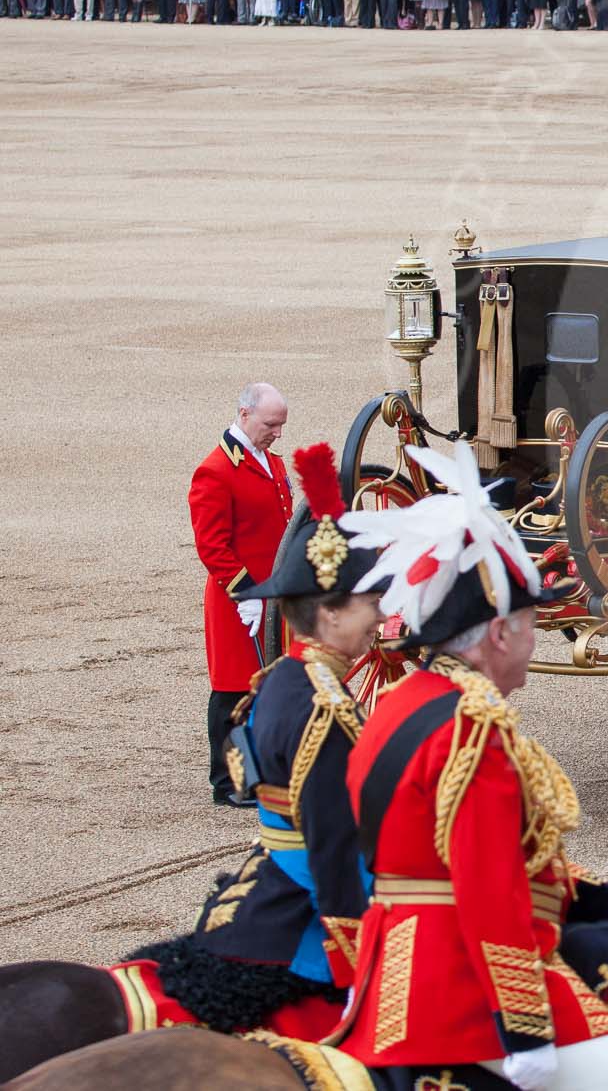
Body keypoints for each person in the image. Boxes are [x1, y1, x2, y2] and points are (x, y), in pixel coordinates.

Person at [331, 443, 608, 1090]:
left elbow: (491, 859)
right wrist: (523, 1026)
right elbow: (490, 885)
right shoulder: (475, 729)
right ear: (497, 634)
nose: (532, 637)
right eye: (529, 623)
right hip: (457, 990)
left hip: (389, 975)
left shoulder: (397, 704)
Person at [130, 443, 388, 1040]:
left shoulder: (277, 680)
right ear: (328, 614)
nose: (379, 617)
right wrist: (358, 952)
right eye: (369, 603)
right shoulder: (325, 705)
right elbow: (331, 847)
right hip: (304, 907)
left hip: (258, 880)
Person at [187, 383, 295, 805]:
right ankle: (227, 782)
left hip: (274, 598)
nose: (278, 433)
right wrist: (246, 592)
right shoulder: (215, 470)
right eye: (271, 424)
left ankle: (259, 773)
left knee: (267, 689)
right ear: (245, 414)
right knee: (234, 691)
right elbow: (212, 545)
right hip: (239, 601)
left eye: (281, 425)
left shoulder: (272, 463)